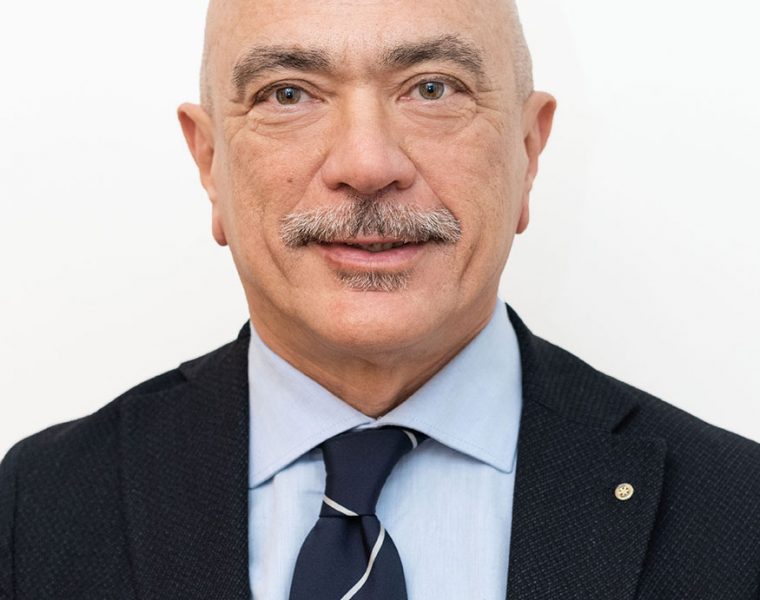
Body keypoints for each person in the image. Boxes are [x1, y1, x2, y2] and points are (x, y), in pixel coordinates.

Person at [1, 0, 758, 597]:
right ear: (209, 163)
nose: (367, 165)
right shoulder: (32, 511)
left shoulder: (737, 514)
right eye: (287, 93)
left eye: (433, 87)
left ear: (529, 151)